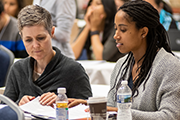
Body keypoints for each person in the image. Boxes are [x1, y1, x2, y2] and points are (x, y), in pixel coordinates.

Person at [68, 1, 180, 119]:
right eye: (115, 29)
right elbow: (111, 108)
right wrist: (89, 105)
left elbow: (170, 116)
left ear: (143, 32)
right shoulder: (121, 65)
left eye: (123, 30)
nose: (116, 35)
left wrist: (119, 112)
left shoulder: (171, 67)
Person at [3, 5, 92, 107]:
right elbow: (4, 108)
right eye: (28, 40)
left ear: (52, 32)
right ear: (21, 37)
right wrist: (18, 103)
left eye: (40, 38)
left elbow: (88, 109)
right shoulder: (18, 69)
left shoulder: (73, 70)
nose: (35, 45)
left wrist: (62, 102)